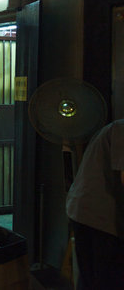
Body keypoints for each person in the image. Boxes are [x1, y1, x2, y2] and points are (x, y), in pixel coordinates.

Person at [66, 119, 124, 289]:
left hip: (88, 212)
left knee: (92, 279)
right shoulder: (121, 129)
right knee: (105, 280)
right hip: (99, 217)